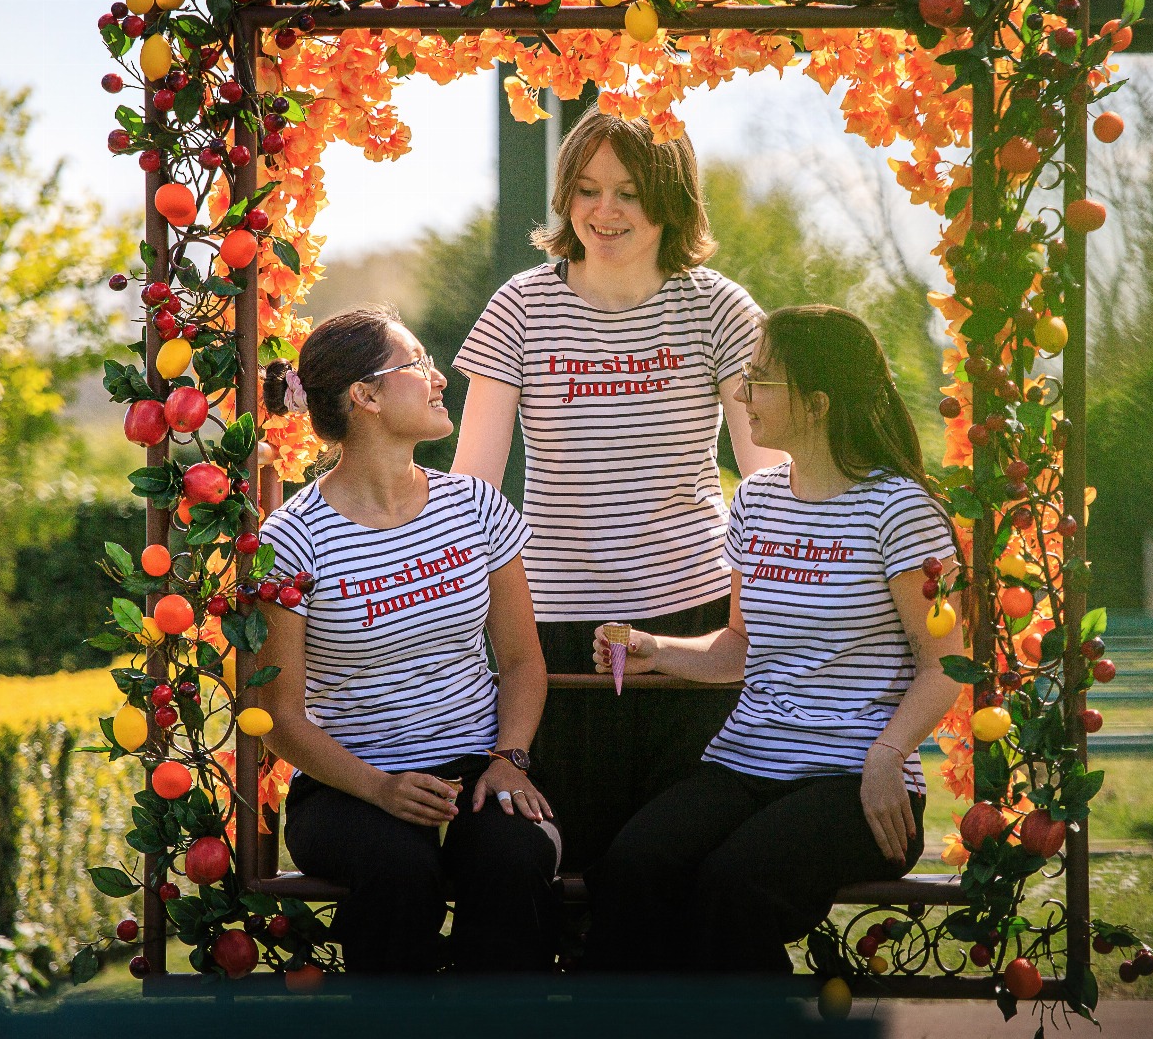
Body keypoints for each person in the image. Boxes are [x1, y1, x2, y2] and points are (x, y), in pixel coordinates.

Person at [451, 108, 786, 873]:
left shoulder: (718, 307)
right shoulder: (521, 306)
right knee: (576, 856)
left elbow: (770, 479)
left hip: (696, 620)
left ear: (671, 201)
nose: (604, 211)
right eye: (588, 189)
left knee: (669, 860)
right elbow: (473, 490)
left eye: (630, 192)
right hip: (555, 625)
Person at [582, 305, 962, 973]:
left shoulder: (901, 510)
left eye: (759, 379)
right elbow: (739, 646)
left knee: (732, 891)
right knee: (632, 868)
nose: (741, 394)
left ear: (817, 403)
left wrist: (888, 754)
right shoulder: (756, 500)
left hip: (857, 784)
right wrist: (655, 649)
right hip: (745, 763)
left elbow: (947, 665)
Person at [255, 306, 560, 973]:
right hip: (347, 787)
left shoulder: (477, 507)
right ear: (365, 396)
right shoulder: (290, 540)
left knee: (514, 857)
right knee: (398, 868)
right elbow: (280, 718)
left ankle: (507, 1030)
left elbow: (520, 661)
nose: (439, 377)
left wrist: (510, 758)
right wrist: (379, 788)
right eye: (418, 364)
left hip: (480, 768)